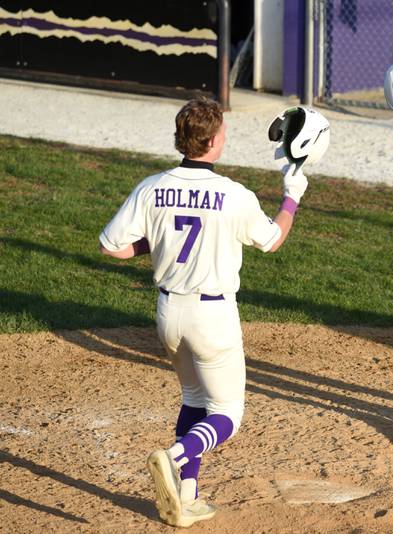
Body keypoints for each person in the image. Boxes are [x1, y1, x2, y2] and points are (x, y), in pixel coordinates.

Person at [99, 98, 314, 526]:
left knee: (194, 398)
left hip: (168, 314)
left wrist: (156, 243)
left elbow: (112, 246)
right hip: (212, 318)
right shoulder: (234, 195)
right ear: (214, 141)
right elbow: (272, 240)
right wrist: (292, 197)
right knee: (227, 414)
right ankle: (174, 455)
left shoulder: (152, 187)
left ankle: (187, 496)